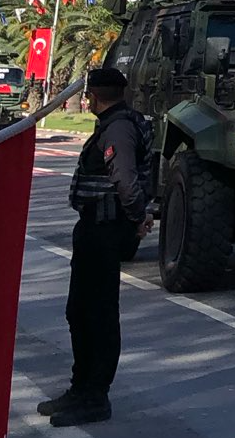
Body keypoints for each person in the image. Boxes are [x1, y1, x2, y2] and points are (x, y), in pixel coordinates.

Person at [38, 68, 153, 427]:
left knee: (99, 315)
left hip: (105, 230)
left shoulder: (118, 128)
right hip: (93, 229)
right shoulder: (111, 124)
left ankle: (95, 396)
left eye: (88, 95)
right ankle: (80, 387)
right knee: (79, 311)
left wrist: (138, 217)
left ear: (94, 96)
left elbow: (125, 180)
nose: (86, 100)